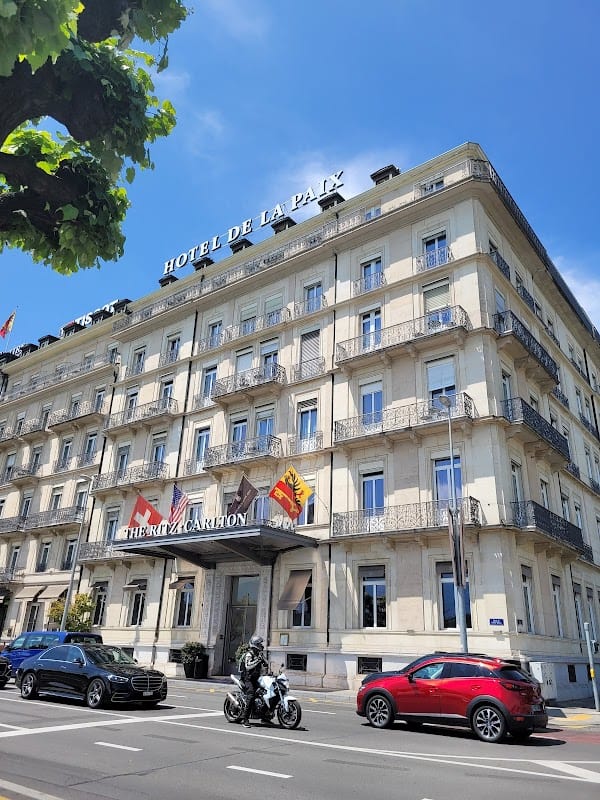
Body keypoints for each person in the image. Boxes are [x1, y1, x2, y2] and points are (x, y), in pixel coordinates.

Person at [239, 634, 266, 727]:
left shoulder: (259, 654)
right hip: (247, 678)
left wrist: (265, 662)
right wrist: (258, 660)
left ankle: (265, 717)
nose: (261, 646)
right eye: (259, 644)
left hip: (257, 678)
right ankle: (245, 719)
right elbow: (248, 666)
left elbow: (265, 664)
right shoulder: (249, 654)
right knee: (251, 695)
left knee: (266, 693)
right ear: (255, 645)